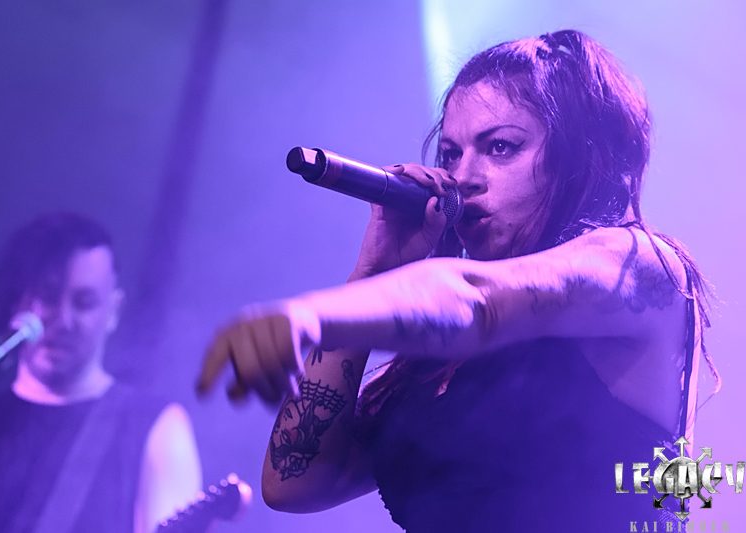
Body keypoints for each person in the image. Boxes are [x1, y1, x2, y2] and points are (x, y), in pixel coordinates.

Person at [196, 30, 721, 530]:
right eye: (451, 153)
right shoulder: (438, 369)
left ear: (577, 159)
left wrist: (315, 314)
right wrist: (371, 274)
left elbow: (478, 301)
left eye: (500, 148)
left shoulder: (638, 264)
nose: (463, 177)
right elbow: (295, 482)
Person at [0, 212, 203, 533]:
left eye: (84, 302)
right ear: (18, 304)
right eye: (48, 298)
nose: (63, 320)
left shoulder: (156, 427)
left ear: (113, 311)